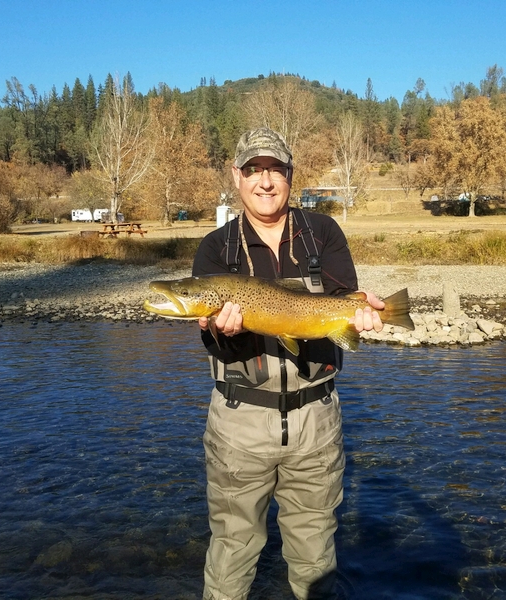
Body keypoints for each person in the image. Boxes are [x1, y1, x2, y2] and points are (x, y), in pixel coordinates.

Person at [192, 127, 384, 600]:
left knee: (316, 555)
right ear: (236, 176)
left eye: (275, 170)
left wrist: (361, 314)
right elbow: (212, 341)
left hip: (316, 420)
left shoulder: (322, 233)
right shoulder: (217, 249)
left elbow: (343, 305)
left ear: (290, 176)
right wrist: (216, 328)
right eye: (254, 170)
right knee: (232, 550)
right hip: (240, 423)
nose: (265, 181)